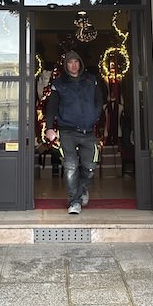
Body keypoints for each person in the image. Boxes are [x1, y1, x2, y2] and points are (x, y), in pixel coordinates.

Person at [44, 50, 103, 214]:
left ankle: (82, 189)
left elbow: (99, 101)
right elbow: (52, 107)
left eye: (76, 61)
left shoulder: (91, 80)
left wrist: (95, 115)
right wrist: (49, 128)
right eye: (70, 62)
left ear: (80, 63)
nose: (73, 65)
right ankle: (74, 202)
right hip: (67, 131)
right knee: (70, 167)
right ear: (66, 65)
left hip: (88, 131)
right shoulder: (59, 83)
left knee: (90, 167)